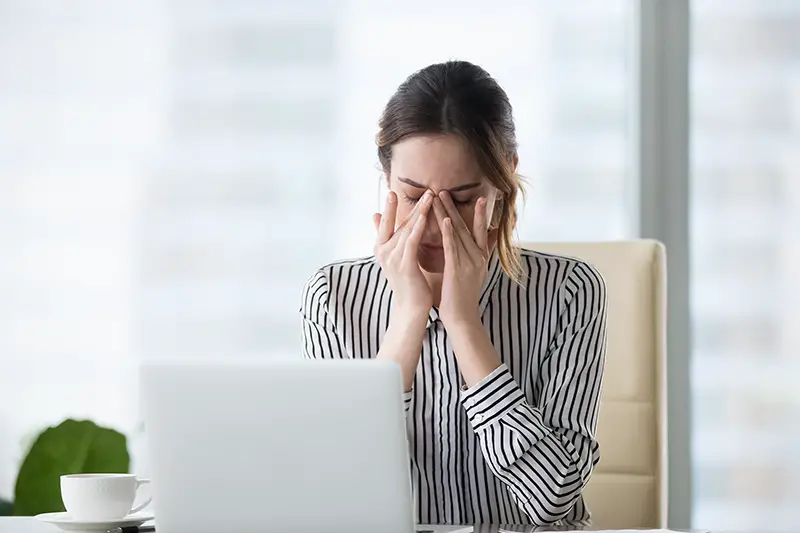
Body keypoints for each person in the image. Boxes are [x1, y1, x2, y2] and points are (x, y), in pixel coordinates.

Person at [299, 60, 607, 527]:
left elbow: (553, 503)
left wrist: (464, 324)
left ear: (503, 184)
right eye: (411, 194)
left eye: (461, 200)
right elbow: (338, 492)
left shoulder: (569, 292)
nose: (433, 222)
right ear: (387, 181)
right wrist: (408, 317)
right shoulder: (333, 296)